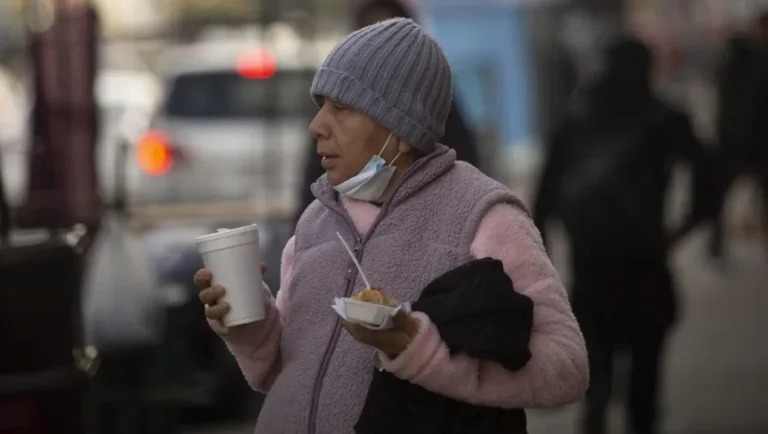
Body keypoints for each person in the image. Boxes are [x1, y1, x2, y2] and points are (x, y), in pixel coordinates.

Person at [195, 18, 588, 434]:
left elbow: (566, 368)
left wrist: (417, 351)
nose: (317, 126)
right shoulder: (317, 217)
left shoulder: (483, 215)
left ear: (400, 130)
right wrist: (249, 324)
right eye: (320, 106)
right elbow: (283, 373)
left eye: (341, 109)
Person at [533, 36, 713, 434]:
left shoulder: (575, 122)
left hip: (592, 268)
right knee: (645, 377)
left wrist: (544, 259)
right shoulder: (664, 118)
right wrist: (682, 229)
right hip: (646, 263)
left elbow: (543, 198)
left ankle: (595, 417)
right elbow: (708, 174)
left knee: (596, 371)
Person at [295, 0, 480, 227]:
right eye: (370, 32)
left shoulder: (478, 223)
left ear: (405, 133)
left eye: (342, 107)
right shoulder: (315, 226)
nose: (317, 128)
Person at [708, 12, 768, 262]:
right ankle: (716, 245)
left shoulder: (732, 57)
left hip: (735, 139)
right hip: (752, 141)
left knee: (719, 196)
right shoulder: (755, 61)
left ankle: (716, 246)